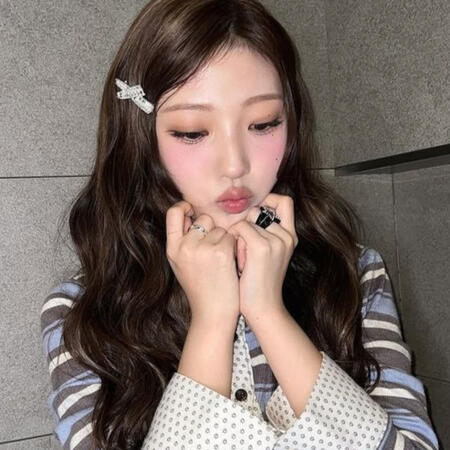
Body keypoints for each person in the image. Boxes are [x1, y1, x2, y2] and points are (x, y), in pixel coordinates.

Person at [40, 0, 440, 449]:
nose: (235, 165)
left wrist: (269, 314)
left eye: (263, 124)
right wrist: (211, 322)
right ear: (142, 140)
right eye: (193, 131)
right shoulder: (82, 312)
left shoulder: (355, 274)